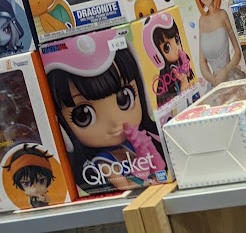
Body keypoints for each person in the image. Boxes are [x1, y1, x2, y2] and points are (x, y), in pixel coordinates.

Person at [44, 29, 166, 194]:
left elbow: (161, 167)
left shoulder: (139, 140)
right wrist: (143, 159)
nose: (115, 123)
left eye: (124, 99)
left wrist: (149, 149)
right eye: (83, 116)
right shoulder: (104, 163)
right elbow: (128, 187)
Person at [189, 0, 246, 86]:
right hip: (215, 83)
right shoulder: (202, 21)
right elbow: (202, 62)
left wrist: (225, 71)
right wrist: (213, 79)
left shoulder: (222, 15)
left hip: (231, 77)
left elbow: (237, 52)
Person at [142, 12, 196, 107]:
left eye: (177, 40)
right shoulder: (167, 77)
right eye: (167, 47)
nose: (177, 49)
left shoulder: (181, 62)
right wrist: (183, 84)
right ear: (156, 54)